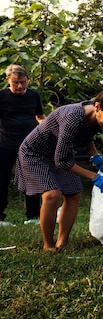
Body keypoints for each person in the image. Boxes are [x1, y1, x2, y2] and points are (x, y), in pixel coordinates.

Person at [15, 79, 103, 250]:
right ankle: (48, 246)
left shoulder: (95, 116)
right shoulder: (72, 117)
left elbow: (87, 135)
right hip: (35, 153)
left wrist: (96, 157)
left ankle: (62, 243)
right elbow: (62, 161)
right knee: (52, 195)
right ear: (98, 106)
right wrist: (94, 176)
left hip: (59, 151)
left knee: (74, 193)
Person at [0, 65, 46, 226]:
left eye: (22, 82)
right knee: (1, 180)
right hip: (5, 144)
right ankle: (0, 217)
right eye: (15, 83)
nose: (19, 86)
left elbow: (40, 116)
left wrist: (48, 129)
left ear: (27, 80)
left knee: (31, 180)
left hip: (30, 145)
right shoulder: (1, 96)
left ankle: (33, 216)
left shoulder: (34, 96)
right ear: (8, 81)